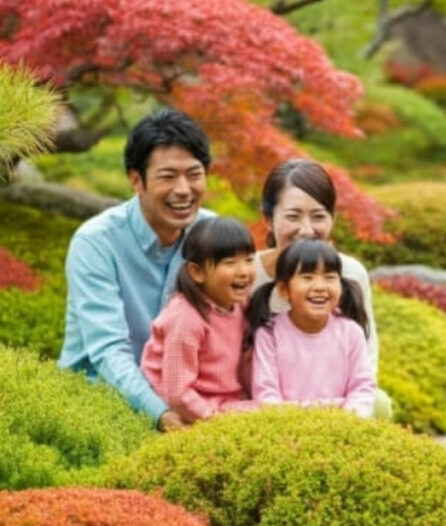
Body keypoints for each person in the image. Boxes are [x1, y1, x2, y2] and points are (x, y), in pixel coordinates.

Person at [58, 109, 213, 431]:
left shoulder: (212, 233)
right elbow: (108, 351)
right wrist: (162, 415)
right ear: (136, 181)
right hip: (97, 403)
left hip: (184, 403)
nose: (184, 189)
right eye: (168, 177)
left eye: (194, 174)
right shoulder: (96, 242)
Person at [253, 158, 391, 418]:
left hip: (339, 406)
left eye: (318, 216)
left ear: (333, 218)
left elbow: (366, 360)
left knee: (379, 403)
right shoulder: (246, 274)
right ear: (268, 218)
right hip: (265, 407)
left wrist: (343, 413)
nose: (306, 230)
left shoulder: (349, 273)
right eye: (293, 216)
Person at [141, 218, 258, 426]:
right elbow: (178, 394)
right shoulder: (186, 318)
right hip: (197, 408)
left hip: (229, 402)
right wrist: (214, 420)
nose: (244, 271)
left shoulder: (240, 305)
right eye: (230, 263)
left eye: (249, 260)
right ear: (197, 272)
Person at [246, 239, 376, 416]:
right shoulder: (269, 334)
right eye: (307, 277)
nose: (320, 287)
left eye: (330, 277)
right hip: (284, 427)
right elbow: (266, 394)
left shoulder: (351, 332)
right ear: (284, 290)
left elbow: (362, 390)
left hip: (342, 425)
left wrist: (349, 420)